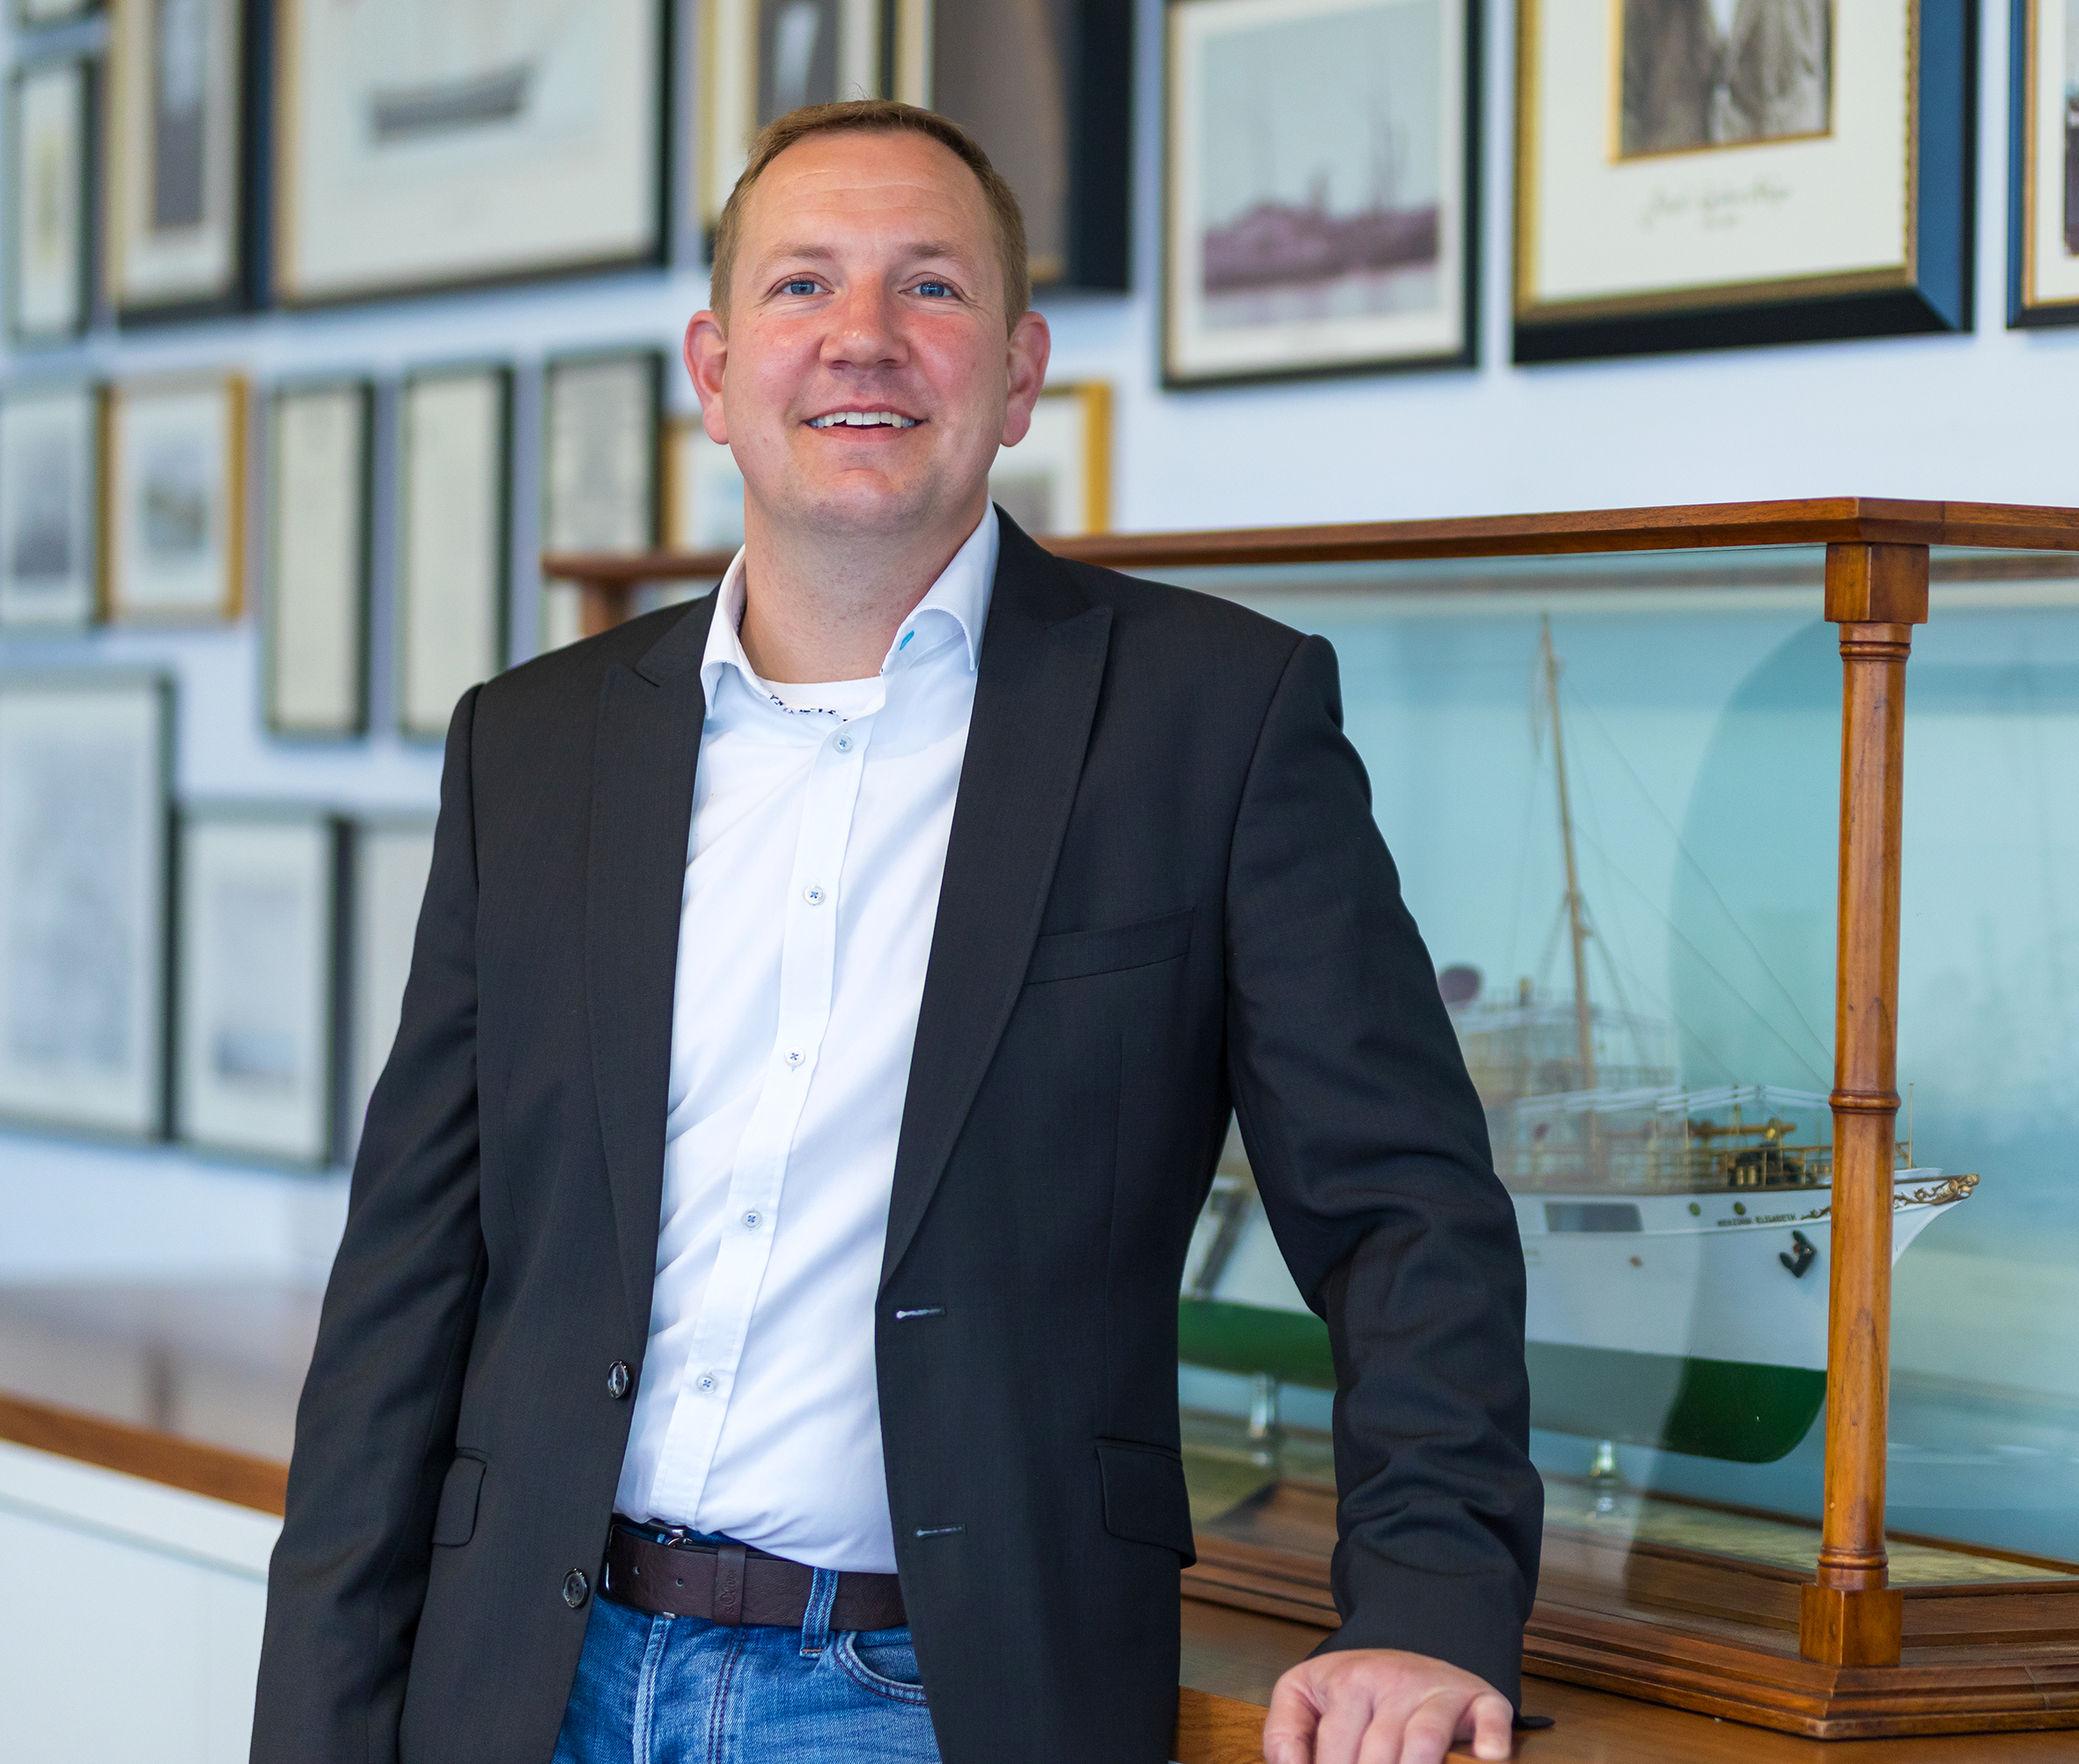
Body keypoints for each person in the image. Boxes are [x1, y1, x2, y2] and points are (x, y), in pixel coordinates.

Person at [250, 100, 1540, 1764]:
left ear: (1017, 372)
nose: (861, 335)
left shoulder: (1214, 720)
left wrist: (1424, 1605)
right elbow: (406, 1282)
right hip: (524, 1683)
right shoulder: (533, 742)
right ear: (716, 371)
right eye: (801, 285)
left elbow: (1403, 1210)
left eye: (929, 286)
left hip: (927, 1699)